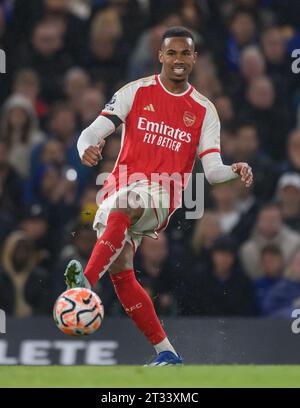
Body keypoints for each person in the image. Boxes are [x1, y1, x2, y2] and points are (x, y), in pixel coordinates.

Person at [64, 26, 253, 366]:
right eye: (172, 53)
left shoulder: (204, 109)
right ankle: (167, 353)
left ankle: (84, 286)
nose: (178, 60)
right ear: (161, 56)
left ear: (194, 58)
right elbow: (91, 132)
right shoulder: (134, 92)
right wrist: (84, 151)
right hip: (118, 186)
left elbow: (211, 170)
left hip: (161, 194)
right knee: (122, 271)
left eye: (185, 53)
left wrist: (233, 169)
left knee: (128, 205)